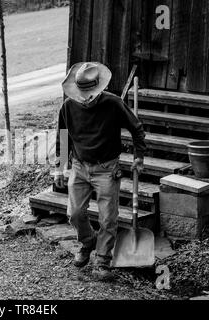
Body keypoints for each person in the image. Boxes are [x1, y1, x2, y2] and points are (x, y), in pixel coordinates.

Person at [54, 62, 146, 281]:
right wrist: (59, 168)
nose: (85, 98)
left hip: (107, 168)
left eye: (89, 94)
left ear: (99, 89)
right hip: (79, 166)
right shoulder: (68, 106)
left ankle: (102, 261)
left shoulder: (113, 103)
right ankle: (88, 242)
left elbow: (136, 128)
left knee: (107, 219)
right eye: (81, 93)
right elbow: (63, 138)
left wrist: (139, 156)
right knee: (74, 214)